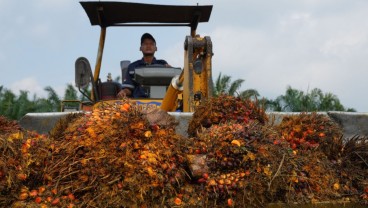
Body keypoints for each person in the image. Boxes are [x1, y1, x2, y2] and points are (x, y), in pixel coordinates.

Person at [117, 33, 170, 98]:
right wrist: (123, 92)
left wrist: (170, 70)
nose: (148, 46)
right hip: (139, 103)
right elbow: (128, 88)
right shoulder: (133, 66)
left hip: (161, 102)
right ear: (140, 48)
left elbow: (170, 86)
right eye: (145, 44)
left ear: (156, 48)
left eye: (151, 44)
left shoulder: (162, 64)